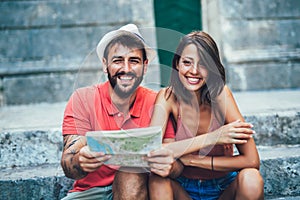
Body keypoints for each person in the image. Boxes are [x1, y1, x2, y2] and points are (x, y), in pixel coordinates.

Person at [61, 24, 256, 200]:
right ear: (105, 65)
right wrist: (79, 160)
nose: (126, 68)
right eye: (118, 60)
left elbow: (169, 161)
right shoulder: (83, 99)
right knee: (152, 178)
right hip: (89, 191)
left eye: (134, 61)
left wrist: (176, 163)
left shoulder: (157, 100)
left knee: (136, 173)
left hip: (136, 188)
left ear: (145, 66)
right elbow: (69, 162)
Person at [148, 31, 264, 200]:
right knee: (157, 180)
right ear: (177, 64)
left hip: (223, 185)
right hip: (183, 187)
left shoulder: (221, 95)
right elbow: (151, 150)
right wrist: (214, 137)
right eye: (187, 62)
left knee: (251, 178)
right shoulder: (167, 97)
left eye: (203, 64)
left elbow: (252, 160)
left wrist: (191, 160)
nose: (193, 71)